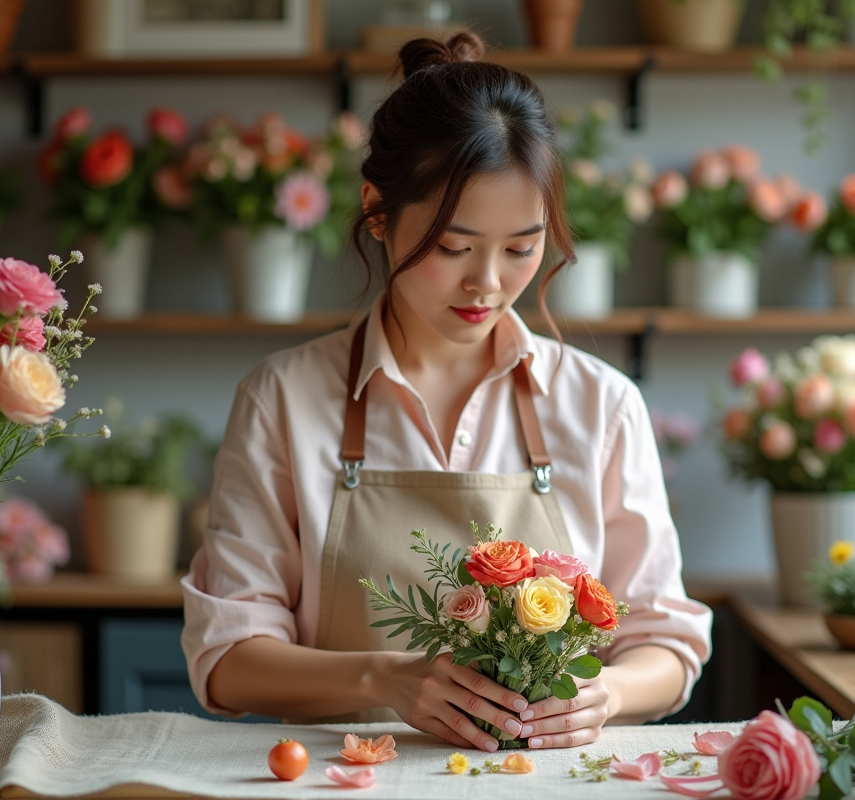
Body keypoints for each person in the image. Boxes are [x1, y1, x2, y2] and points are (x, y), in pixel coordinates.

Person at [182, 31, 712, 752]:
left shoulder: (601, 404)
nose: (486, 284)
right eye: (454, 247)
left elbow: (668, 646)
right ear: (376, 211)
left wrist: (609, 692)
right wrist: (385, 680)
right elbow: (227, 661)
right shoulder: (283, 399)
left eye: (522, 249)